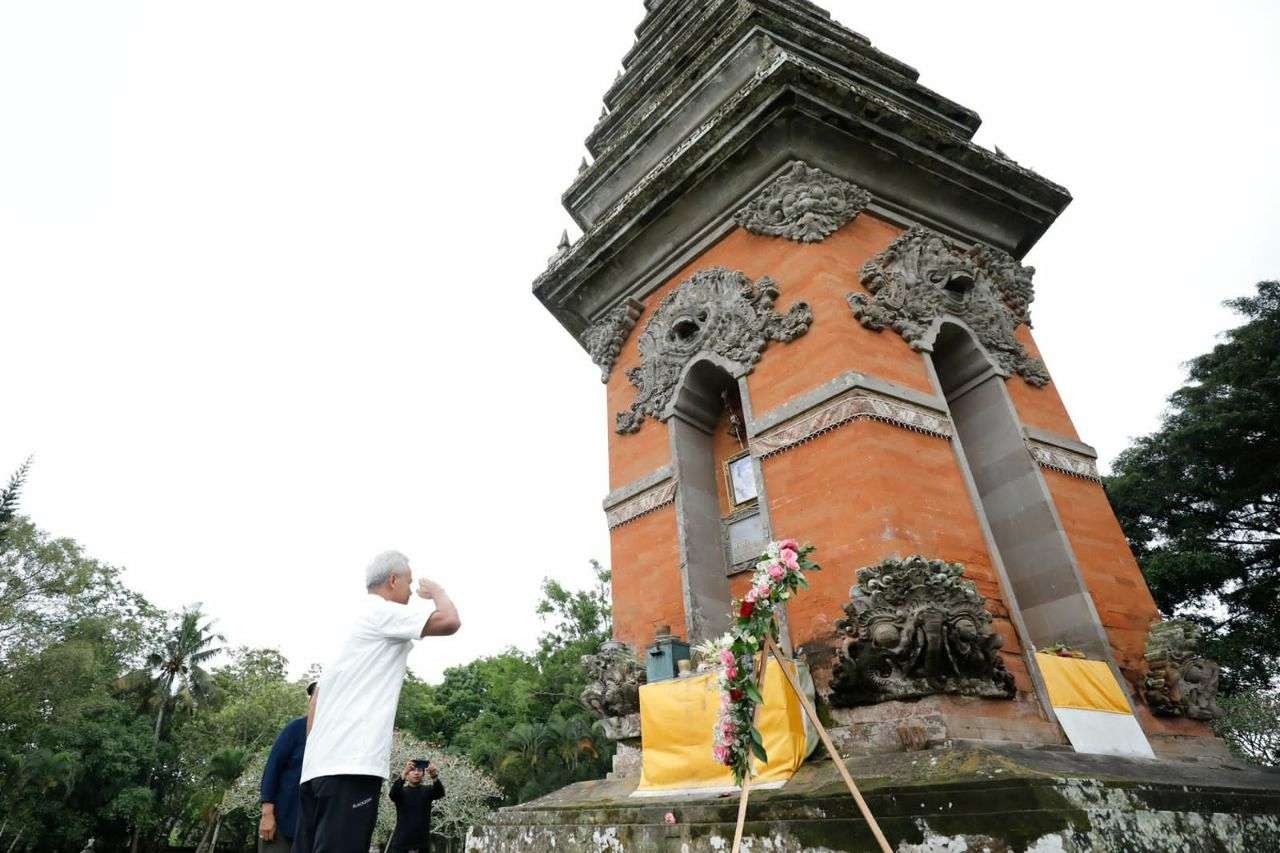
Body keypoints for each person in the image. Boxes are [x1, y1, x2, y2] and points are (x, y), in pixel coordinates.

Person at [293, 551, 461, 853]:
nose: (411, 591)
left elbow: (316, 698)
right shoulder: (380, 611)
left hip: (317, 770)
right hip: (351, 766)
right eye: (408, 582)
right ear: (393, 580)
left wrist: (316, 752)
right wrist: (437, 591)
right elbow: (449, 621)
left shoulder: (347, 628)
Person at [257, 681, 315, 850]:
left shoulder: (335, 737)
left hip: (312, 831)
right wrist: (267, 814)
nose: (316, 701)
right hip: (281, 826)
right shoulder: (295, 729)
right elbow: (272, 769)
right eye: (313, 697)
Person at [388, 759, 446, 853]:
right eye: (413, 770)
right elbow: (393, 794)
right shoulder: (401, 792)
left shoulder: (427, 790)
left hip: (422, 843)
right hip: (401, 843)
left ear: (423, 774)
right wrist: (404, 772)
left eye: (419, 770)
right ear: (407, 774)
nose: (416, 773)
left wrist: (434, 776)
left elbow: (440, 793)